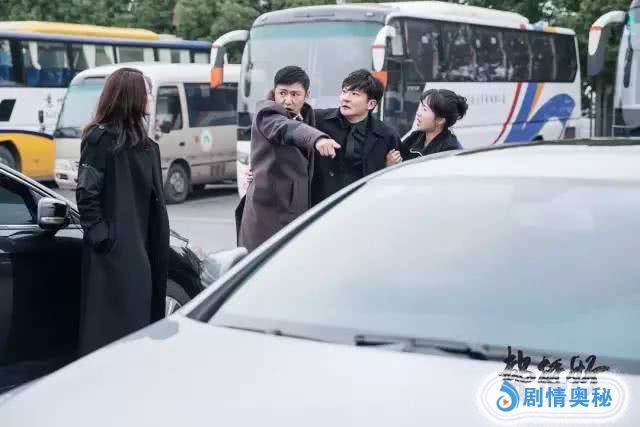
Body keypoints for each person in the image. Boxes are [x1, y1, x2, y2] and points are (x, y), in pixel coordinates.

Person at [76, 67, 170, 355]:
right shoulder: (100, 140)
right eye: (147, 92)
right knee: (110, 329)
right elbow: (86, 194)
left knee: (140, 323)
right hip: (115, 252)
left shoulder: (148, 147)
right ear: (132, 96)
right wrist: (103, 238)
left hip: (144, 247)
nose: (150, 98)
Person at [237, 66, 340, 252]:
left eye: (295, 94)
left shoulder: (307, 115)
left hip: (297, 212)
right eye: (282, 93)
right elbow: (285, 128)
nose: (287, 100)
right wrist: (317, 140)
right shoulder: (267, 114)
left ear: (307, 95)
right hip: (267, 214)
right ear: (274, 91)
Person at [311, 69, 401, 205]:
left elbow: (395, 183)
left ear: (371, 104)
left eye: (354, 94)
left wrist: (389, 168)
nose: (345, 98)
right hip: (321, 207)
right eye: (344, 91)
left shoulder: (386, 136)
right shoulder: (317, 120)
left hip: (363, 207)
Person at [393, 89, 468, 162]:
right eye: (421, 107)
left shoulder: (450, 150)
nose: (418, 113)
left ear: (440, 120)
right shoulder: (415, 137)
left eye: (424, 109)